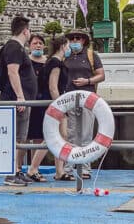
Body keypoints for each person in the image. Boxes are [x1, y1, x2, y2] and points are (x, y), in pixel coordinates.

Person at [62, 29, 105, 179]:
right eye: (72, 39)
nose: (75, 41)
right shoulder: (65, 56)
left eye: (78, 38)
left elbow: (101, 75)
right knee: (72, 134)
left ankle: (85, 167)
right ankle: (69, 167)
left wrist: (87, 81)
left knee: (86, 134)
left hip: (87, 98)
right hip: (69, 99)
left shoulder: (91, 56)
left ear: (83, 40)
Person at [0, 16, 37, 187]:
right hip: (17, 100)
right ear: (25, 31)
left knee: (21, 138)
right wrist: (20, 97)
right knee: (16, 138)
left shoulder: (18, 48)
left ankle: (17, 170)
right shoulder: (14, 47)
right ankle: (11, 173)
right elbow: (12, 72)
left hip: (23, 100)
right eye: (29, 30)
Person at [44, 36, 72, 181]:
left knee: (62, 136)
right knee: (54, 137)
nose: (69, 48)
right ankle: (33, 168)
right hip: (57, 103)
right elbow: (53, 86)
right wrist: (60, 107)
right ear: (62, 46)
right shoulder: (55, 63)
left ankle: (59, 170)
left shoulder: (57, 62)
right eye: (68, 45)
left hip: (58, 102)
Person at [24, 33, 50, 182]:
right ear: (29, 45)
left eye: (40, 43)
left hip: (43, 102)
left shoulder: (48, 63)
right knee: (24, 137)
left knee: (40, 137)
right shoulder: (26, 62)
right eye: (35, 43)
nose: (38, 46)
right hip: (29, 102)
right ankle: (18, 169)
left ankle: (34, 168)